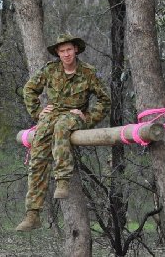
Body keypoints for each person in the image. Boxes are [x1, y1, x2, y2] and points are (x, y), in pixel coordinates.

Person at [16, 33, 111, 231]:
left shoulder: (88, 72)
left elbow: (104, 100)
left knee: (62, 127)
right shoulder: (51, 70)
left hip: (74, 115)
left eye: (69, 49)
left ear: (75, 49)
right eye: (62, 51)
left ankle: (62, 180)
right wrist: (38, 111)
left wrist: (88, 117)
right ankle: (33, 214)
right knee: (38, 155)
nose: (66, 54)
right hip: (52, 115)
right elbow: (29, 89)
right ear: (58, 54)